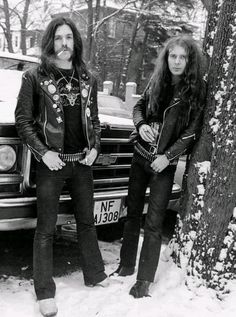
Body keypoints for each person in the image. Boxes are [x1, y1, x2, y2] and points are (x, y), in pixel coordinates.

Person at [15, 17, 109, 316]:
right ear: (50, 42)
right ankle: (44, 292)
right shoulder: (34, 77)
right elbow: (23, 121)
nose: (64, 43)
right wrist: (43, 153)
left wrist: (95, 147)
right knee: (45, 229)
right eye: (58, 38)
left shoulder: (87, 78)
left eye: (69, 37)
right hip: (51, 164)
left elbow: (94, 120)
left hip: (82, 162)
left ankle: (95, 275)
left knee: (86, 223)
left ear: (76, 42)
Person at [111, 35, 206, 298]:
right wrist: (140, 125)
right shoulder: (158, 80)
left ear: (189, 60)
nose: (176, 61)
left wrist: (169, 156)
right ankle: (126, 264)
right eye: (172, 56)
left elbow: (192, 131)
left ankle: (144, 280)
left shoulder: (196, 90)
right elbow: (139, 106)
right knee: (132, 214)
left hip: (164, 164)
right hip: (140, 156)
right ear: (167, 58)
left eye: (182, 57)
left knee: (153, 223)